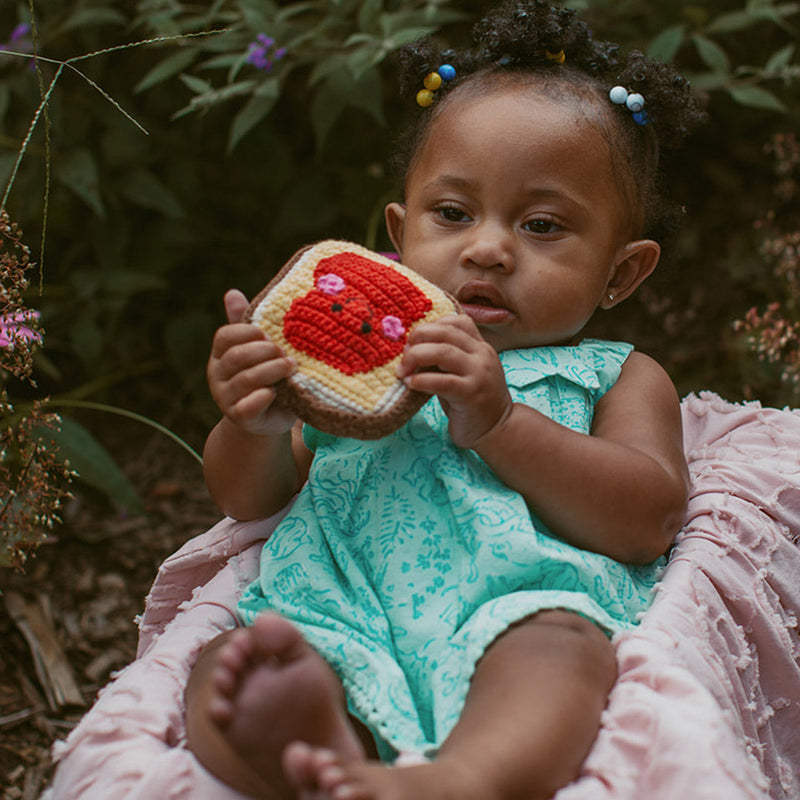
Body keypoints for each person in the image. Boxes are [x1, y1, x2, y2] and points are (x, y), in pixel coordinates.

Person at [184, 2, 704, 798]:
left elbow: (647, 519)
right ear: (400, 230)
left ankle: (461, 779)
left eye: (542, 225)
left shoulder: (615, 373)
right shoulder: (357, 364)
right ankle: (319, 747)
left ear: (621, 273)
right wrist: (253, 422)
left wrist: (499, 422)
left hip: (518, 608)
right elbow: (246, 496)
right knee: (238, 668)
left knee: (562, 657)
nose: (488, 248)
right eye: (452, 214)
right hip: (338, 610)